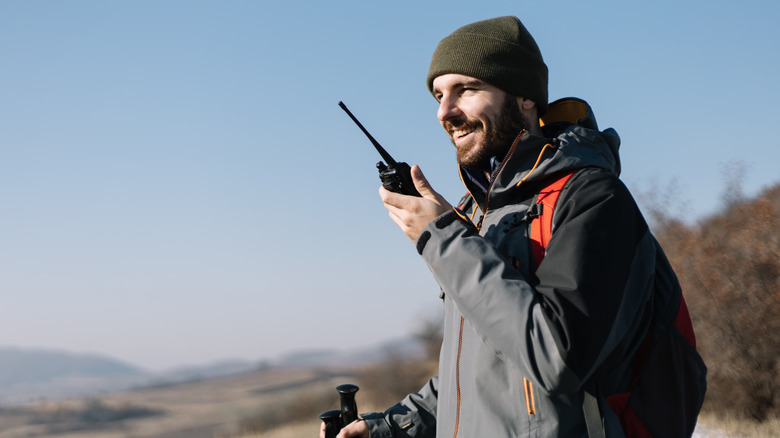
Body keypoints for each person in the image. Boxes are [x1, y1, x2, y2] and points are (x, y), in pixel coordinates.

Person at [326, 15, 681, 438]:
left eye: (466, 89)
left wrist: (440, 236)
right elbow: (482, 371)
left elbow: (557, 358)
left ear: (524, 98)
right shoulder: (475, 214)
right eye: (438, 95)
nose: (445, 111)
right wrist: (392, 427)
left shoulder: (592, 198)